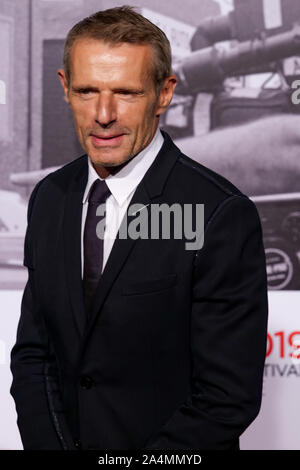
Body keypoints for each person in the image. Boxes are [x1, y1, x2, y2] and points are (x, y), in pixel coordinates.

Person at [10, 6, 268, 450]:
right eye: (88, 90)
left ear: (164, 93)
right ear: (64, 87)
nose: (103, 114)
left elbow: (227, 397)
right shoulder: (50, 198)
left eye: (126, 93)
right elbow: (36, 354)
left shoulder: (218, 213)